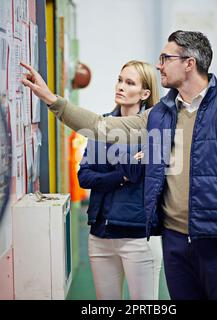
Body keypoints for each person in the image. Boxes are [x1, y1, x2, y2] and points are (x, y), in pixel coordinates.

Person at [21, 30, 217, 300]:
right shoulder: (160, 114)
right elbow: (101, 127)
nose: (159, 65)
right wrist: (52, 100)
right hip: (174, 240)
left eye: (166, 58)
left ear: (189, 63)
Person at [77, 60, 162, 299]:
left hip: (138, 236)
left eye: (129, 82)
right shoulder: (102, 124)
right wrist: (122, 173)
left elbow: (137, 173)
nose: (121, 86)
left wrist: (117, 166)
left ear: (145, 93)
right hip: (100, 234)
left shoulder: (154, 129)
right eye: (120, 80)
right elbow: (84, 176)